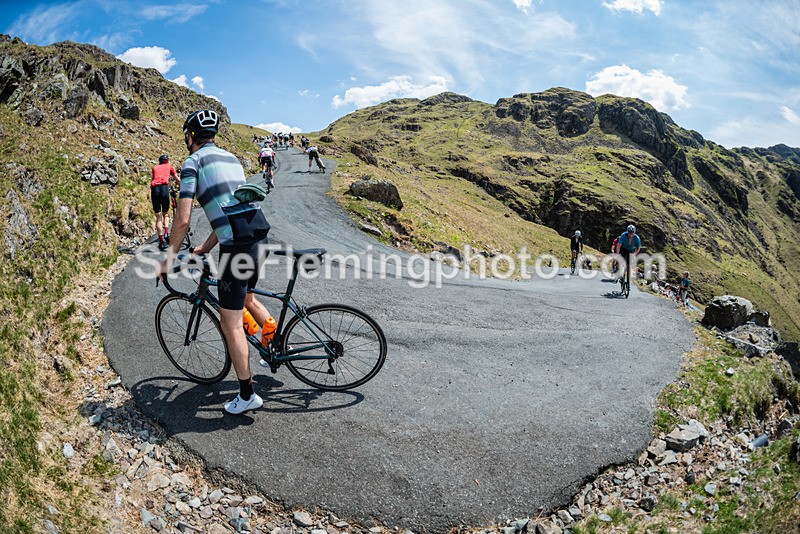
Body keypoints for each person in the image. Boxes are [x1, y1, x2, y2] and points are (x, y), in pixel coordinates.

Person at [159, 110, 273, 415]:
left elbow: (182, 219)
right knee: (247, 299)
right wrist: (203, 247)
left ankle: (247, 394)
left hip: (237, 249)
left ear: (190, 136)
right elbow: (228, 212)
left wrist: (169, 258)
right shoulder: (231, 158)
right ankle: (274, 343)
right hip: (258, 238)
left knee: (230, 322)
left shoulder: (192, 163)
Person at [151, 154, 178, 251]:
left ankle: (161, 241)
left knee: (158, 216)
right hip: (164, 188)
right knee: (165, 214)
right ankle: (166, 232)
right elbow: (177, 179)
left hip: (154, 189)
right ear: (167, 161)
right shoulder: (169, 166)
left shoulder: (155, 168)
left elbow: (154, 179)